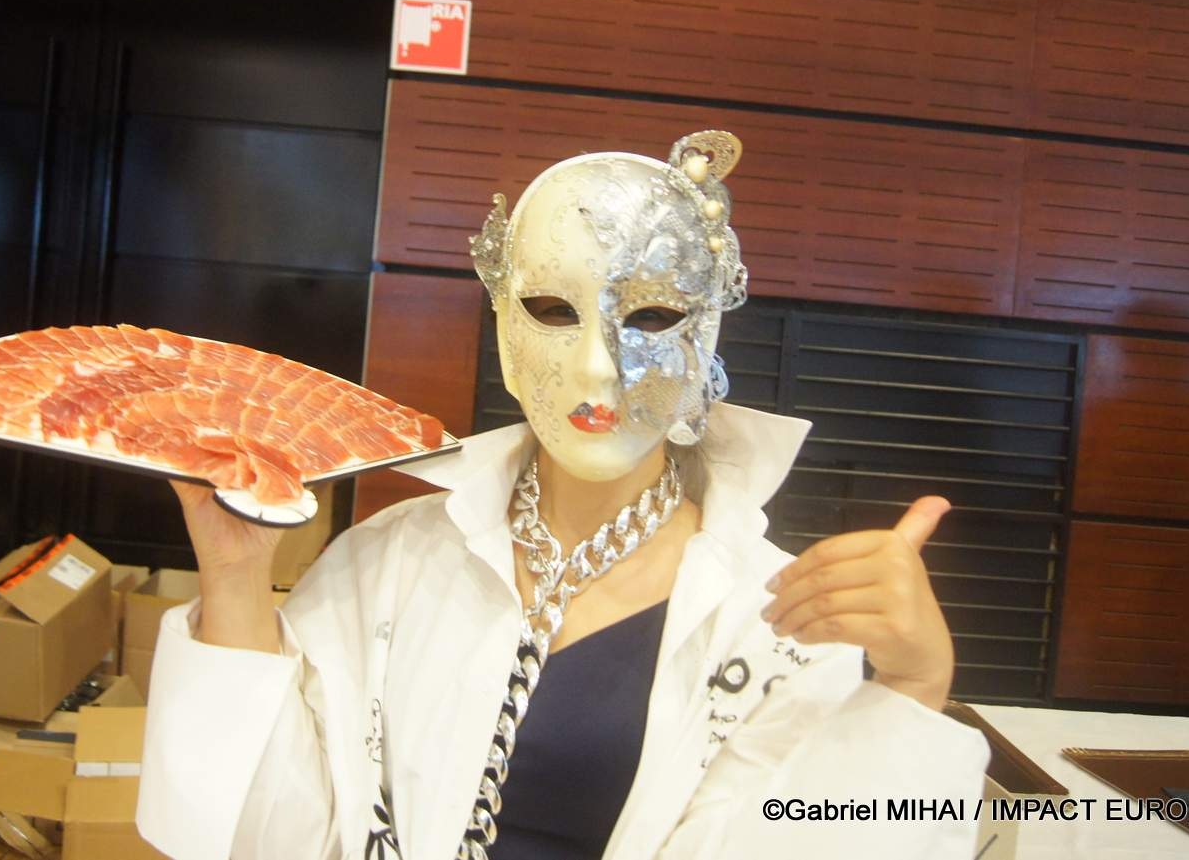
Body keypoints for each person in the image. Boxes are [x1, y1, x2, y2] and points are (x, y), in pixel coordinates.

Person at [138, 132, 990, 860]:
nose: (597, 367)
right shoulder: (388, 563)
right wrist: (236, 576)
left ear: (703, 340)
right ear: (507, 336)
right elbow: (268, 835)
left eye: (651, 317)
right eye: (553, 309)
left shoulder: (779, 620)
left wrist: (915, 686)